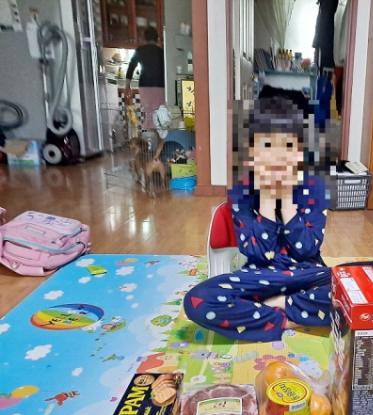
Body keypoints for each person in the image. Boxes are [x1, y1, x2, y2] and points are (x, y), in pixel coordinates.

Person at [184, 98, 331, 341]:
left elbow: (307, 250)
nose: (278, 157)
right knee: (197, 300)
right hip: (260, 277)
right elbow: (259, 254)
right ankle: (289, 317)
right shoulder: (241, 190)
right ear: (252, 152)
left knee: (350, 286)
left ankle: (278, 305)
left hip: (307, 275)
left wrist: (287, 203)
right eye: (268, 145)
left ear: (299, 153)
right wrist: (267, 201)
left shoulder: (315, 186)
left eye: (288, 146)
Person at [125, 27, 165, 130]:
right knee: (158, 113)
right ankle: (157, 135)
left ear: (144, 38)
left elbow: (131, 67)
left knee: (148, 112)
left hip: (144, 86)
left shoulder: (140, 50)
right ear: (157, 39)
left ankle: (148, 134)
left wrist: (127, 86)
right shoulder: (161, 52)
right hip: (159, 86)